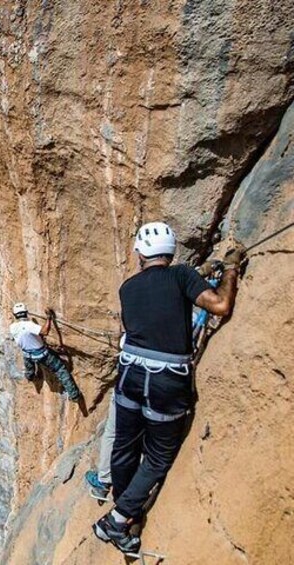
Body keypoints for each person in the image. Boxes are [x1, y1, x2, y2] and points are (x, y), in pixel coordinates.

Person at [93, 222, 243, 554]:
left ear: (140, 254)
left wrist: (198, 273)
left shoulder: (128, 288)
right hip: (166, 380)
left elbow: (159, 298)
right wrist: (230, 269)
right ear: (170, 251)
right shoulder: (182, 277)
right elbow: (219, 305)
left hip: (130, 374)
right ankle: (117, 519)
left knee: (124, 445)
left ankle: (125, 501)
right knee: (158, 456)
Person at [8, 303, 81, 401]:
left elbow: (24, 332)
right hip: (42, 355)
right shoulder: (30, 325)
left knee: (29, 367)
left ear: (15, 315)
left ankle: (30, 376)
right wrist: (49, 318)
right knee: (60, 369)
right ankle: (74, 395)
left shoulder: (12, 327)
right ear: (26, 313)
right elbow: (44, 331)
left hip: (27, 355)